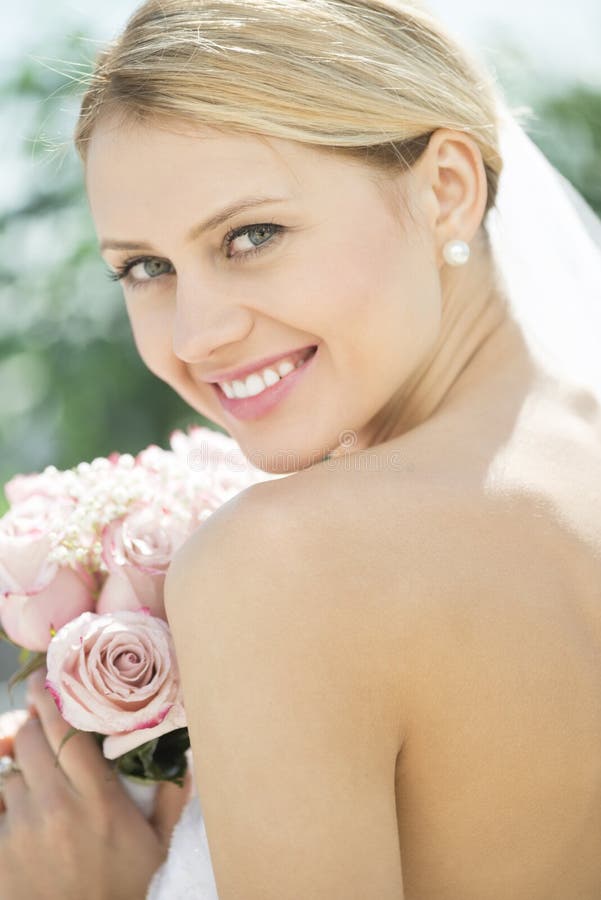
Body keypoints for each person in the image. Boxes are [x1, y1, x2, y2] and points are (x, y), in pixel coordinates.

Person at [1, 0, 600, 897]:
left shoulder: (285, 561)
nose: (197, 335)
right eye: (145, 268)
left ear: (445, 187)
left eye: (252, 236)